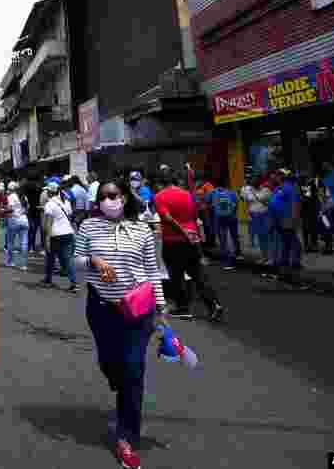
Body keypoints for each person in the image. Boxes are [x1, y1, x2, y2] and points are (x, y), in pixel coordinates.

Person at [74, 178, 168, 469]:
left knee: (133, 369)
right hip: (101, 308)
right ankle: (117, 377)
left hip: (138, 310)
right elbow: (75, 261)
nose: (107, 200)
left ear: (125, 198)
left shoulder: (143, 230)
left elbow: (153, 270)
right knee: (111, 363)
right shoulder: (88, 226)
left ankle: (127, 437)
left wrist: (161, 307)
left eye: (113, 195)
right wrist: (94, 261)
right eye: (102, 196)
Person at [154, 169, 224, 321]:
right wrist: (195, 236)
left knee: (176, 275)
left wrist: (182, 230)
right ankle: (213, 304)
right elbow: (194, 216)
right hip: (192, 240)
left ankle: (183, 308)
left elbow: (166, 217)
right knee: (198, 274)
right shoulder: (186, 194)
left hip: (173, 241)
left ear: (160, 183)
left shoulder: (159, 196)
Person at [269, 168, 304, 287]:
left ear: (282, 177)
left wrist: (293, 220)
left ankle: (292, 269)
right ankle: (286, 270)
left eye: (277, 175)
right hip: (280, 221)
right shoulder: (279, 188)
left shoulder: (289, 188)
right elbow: (273, 204)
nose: (274, 177)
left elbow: (295, 205)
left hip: (287, 221)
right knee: (288, 245)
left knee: (293, 244)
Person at [42, 181, 77, 292]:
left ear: (50, 192)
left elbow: (48, 223)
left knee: (50, 258)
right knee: (68, 260)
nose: (46, 192)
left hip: (55, 235)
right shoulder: (66, 202)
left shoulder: (49, 204)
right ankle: (74, 283)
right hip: (68, 233)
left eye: (47, 190)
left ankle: (48, 280)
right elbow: (70, 216)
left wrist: (47, 238)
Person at [210, 178, 240, 270]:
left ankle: (228, 261)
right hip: (232, 217)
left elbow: (207, 201)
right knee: (233, 236)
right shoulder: (232, 193)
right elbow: (236, 204)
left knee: (223, 239)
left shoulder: (213, 192)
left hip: (220, 219)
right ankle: (236, 254)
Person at [3, 181, 30, 271]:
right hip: (24, 220)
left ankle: (10, 261)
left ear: (11, 189)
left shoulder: (11, 197)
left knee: (10, 242)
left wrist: (2, 210)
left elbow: (10, 209)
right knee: (24, 243)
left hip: (13, 220)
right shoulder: (24, 197)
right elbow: (27, 208)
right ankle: (24, 264)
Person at [300, 174, 321, 253]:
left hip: (311, 209)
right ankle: (307, 245)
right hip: (305, 209)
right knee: (306, 228)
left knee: (312, 228)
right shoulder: (301, 184)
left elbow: (314, 196)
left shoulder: (312, 184)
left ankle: (313, 245)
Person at [193, 176, 216, 248]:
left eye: (197, 181)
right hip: (201, 210)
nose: (196, 183)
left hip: (206, 210)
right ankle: (206, 241)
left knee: (208, 226)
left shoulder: (207, 186)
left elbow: (210, 198)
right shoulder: (199, 187)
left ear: (201, 180)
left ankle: (210, 242)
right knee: (204, 226)